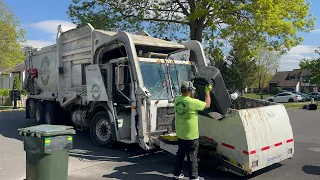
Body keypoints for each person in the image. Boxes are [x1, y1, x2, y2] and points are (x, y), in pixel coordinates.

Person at [173, 81, 212, 180]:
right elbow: (207, 104)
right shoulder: (192, 102)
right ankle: (194, 177)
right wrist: (207, 92)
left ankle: (177, 174)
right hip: (191, 136)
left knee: (180, 155)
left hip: (181, 134)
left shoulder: (177, 100)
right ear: (190, 90)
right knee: (192, 157)